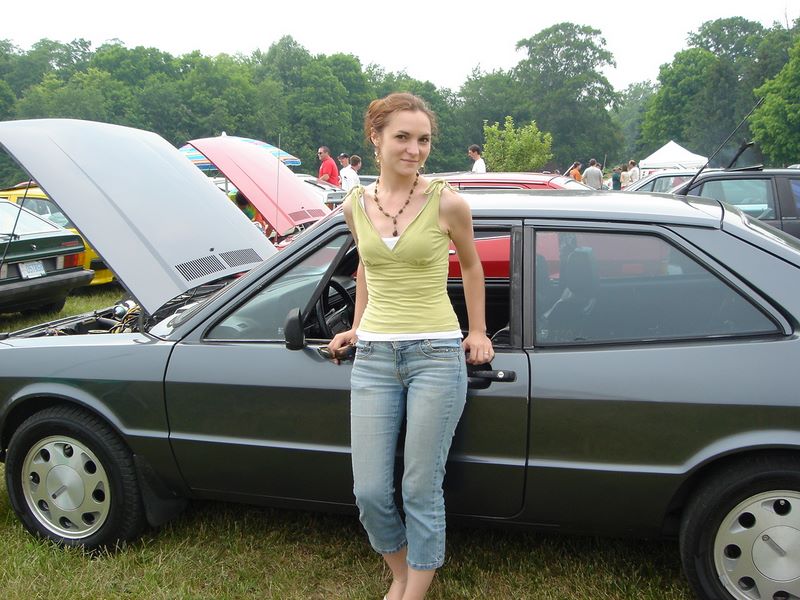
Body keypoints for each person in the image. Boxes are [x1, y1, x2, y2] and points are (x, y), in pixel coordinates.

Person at [327, 92, 493, 600]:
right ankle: (400, 572)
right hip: (374, 358)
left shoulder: (448, 202)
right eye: (402, 137)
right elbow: (367, 267)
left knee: (420, 486)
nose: (414, 149)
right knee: (370, 492)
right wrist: (357, 326)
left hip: (435, 356)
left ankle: (414, 591)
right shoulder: (354, 204)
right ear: (375, 139)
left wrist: (478, 331)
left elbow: (471, 266)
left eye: (423, 139)